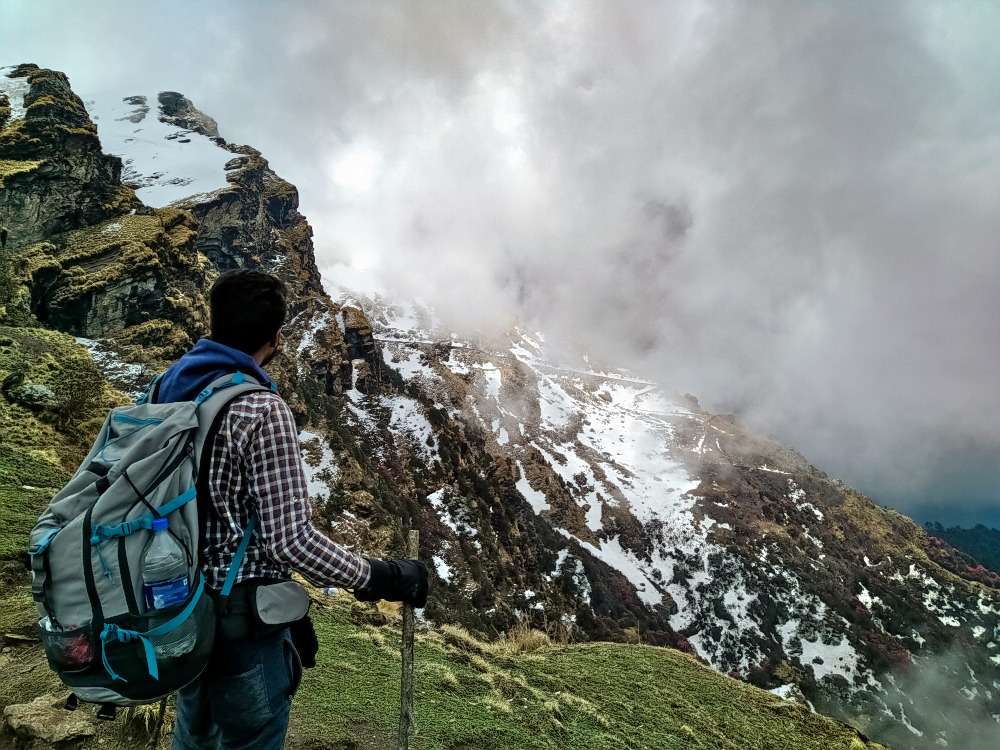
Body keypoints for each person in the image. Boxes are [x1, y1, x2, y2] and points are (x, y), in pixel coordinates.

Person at [163, 269, 427, 750]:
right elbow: (290, 540)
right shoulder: (260, 409)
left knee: (193, 737)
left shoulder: (174, 387)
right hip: (240, 621)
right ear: (276, 336)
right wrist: (381, 576)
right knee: (250, 736)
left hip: (180, 608)